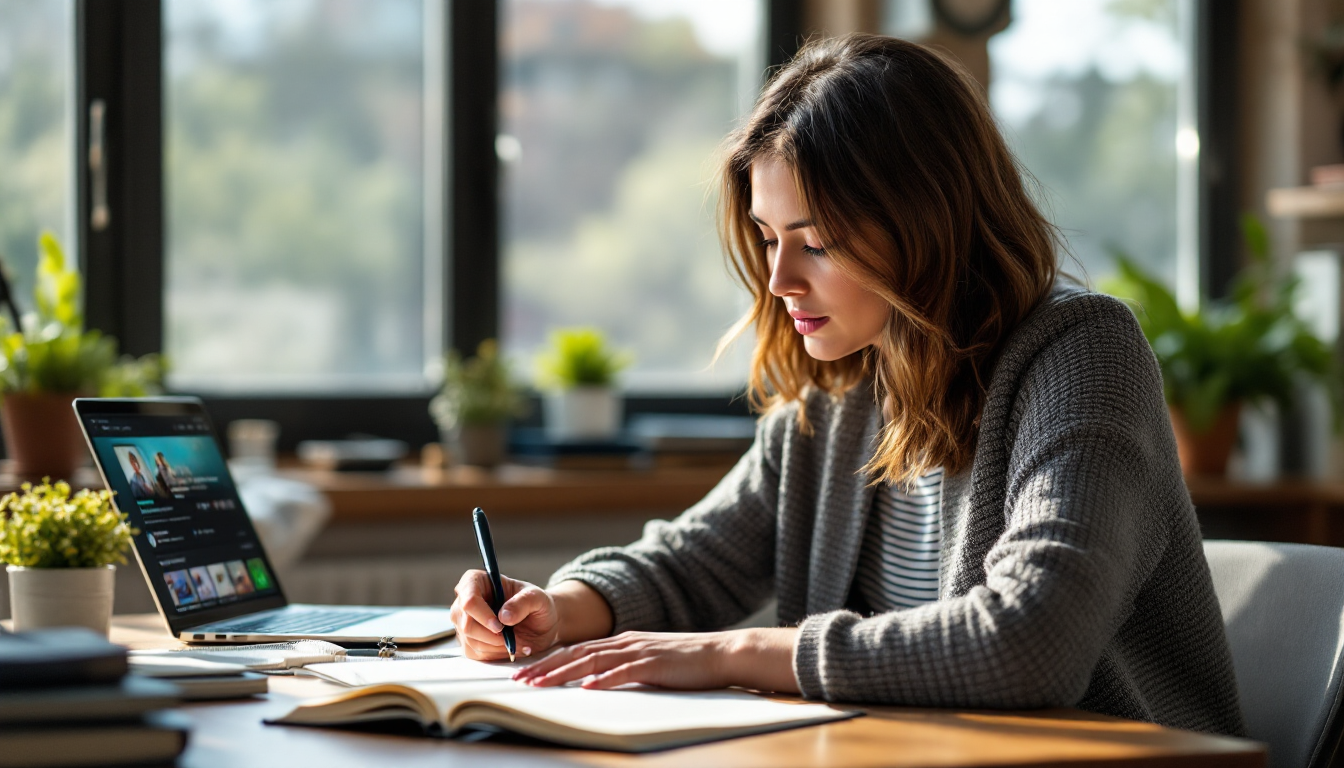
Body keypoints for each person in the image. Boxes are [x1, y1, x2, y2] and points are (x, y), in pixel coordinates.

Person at [450, 34, 1245, 736]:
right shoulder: (842, 389)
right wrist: (560, 609)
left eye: (817, 242)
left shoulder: (1082, 353)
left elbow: (1031, 641)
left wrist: (735, 652)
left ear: (927, 219)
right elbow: (696, 563)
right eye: (767, 238)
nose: (778, 279)